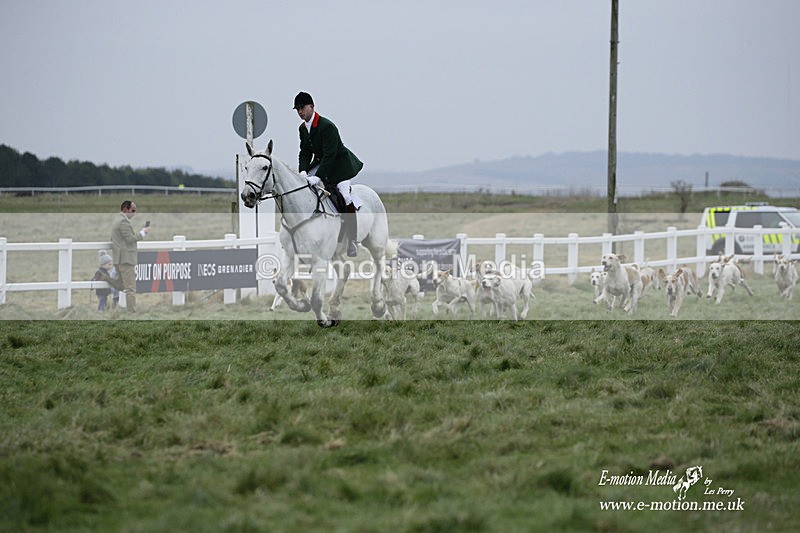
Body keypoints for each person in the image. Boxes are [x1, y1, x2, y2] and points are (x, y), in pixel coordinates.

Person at [294, 91, 364, 257]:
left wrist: (317, 177)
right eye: (297, 109)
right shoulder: (303, 129)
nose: (300, 112)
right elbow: (304, 152)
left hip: (339, 167)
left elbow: (330, 155)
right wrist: (303, 171)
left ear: (311, 107)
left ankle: (352, 240)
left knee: (345, 196)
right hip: (320, 165)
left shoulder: (327, 126)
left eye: (302, 108)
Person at [111, 200, 150, 313]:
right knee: (130, 289)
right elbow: (130, 239)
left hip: (119, 259)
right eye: (133, 210)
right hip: (126, 260)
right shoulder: (123, 221)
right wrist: (143, 233)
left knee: (120, 285)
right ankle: (131, 313)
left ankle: (115, 308)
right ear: (125, 209)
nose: (134, 212)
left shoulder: (117, 219)